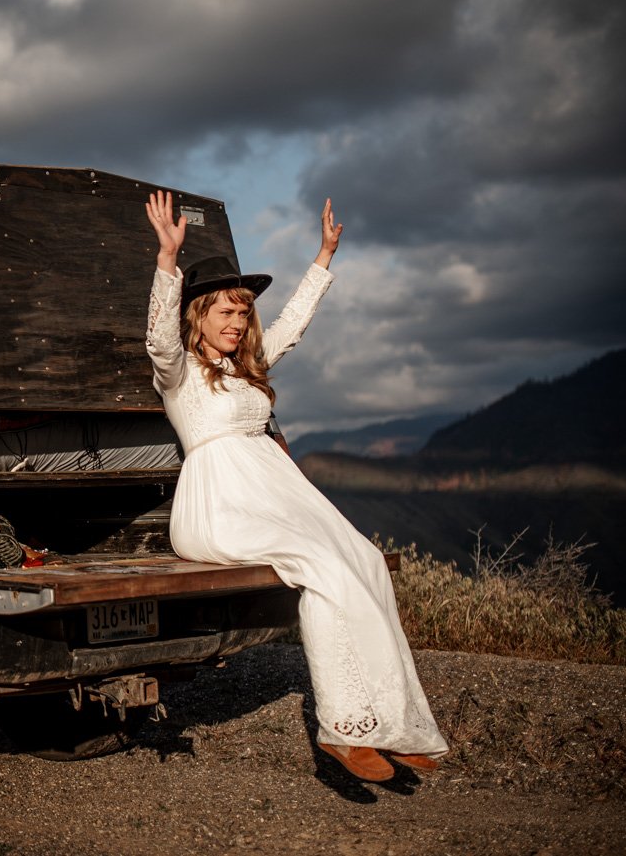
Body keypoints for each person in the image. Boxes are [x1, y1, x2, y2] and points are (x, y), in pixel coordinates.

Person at [143, 190, 448, 782]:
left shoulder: (248, 365)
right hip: (220, 505)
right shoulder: (177, 373)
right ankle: (345, 727)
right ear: (197, 314)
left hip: (278, 496)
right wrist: (166, 262)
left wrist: (323, 257)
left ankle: (395, 721)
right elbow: (157, 339)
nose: (237, 324)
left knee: (364, 560)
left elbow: (292, 325)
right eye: (225, 313)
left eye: (242, 314)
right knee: (322, 568)